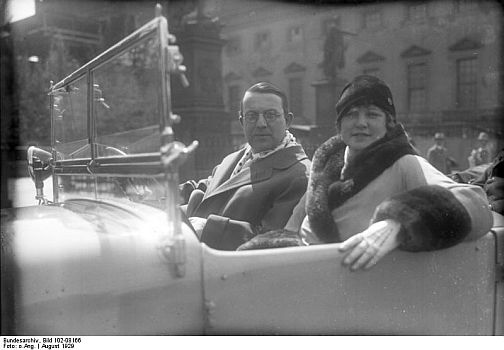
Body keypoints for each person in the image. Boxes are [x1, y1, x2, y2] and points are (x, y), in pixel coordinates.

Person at [239, 75, 493, 272]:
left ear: (388, 122)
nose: (361, 123)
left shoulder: (404, 162)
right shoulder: (327, 163)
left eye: (372, 114)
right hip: (309, 271)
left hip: (356, 281)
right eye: (351, 114)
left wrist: (401, 222)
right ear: (339, 124)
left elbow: (476, 204)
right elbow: (294, 227)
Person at [180, 82, 311, 250]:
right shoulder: (234, 158)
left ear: (288, 120)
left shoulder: (299, 176)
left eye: (271, 115)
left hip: (234, 270)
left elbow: (275, 243)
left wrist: (208, 229)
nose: (261, 123)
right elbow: (209, 191)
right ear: (242, 121)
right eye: (252, 116)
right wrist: (160, 192)